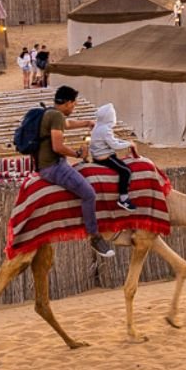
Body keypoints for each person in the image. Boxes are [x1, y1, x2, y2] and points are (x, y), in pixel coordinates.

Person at [37, 85, 114, 257]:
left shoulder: (51, 112)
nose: (74, 107)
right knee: (89, 194)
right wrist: (78, 154)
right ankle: (94, 236)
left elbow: (68, 124)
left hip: (47, 164)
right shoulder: (56, 116)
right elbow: (57, 147)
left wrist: (86, 123)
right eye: (73, 105)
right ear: (67, 103)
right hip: (53, 167)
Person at [89, 103, 137, 211]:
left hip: (96, 155)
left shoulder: (98, 126)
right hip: (104, 157)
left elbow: (113, 140)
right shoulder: (106, 129)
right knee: (126, 171)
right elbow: (115, 145)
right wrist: (129, 144)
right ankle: (123, 198)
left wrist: (126, 142)